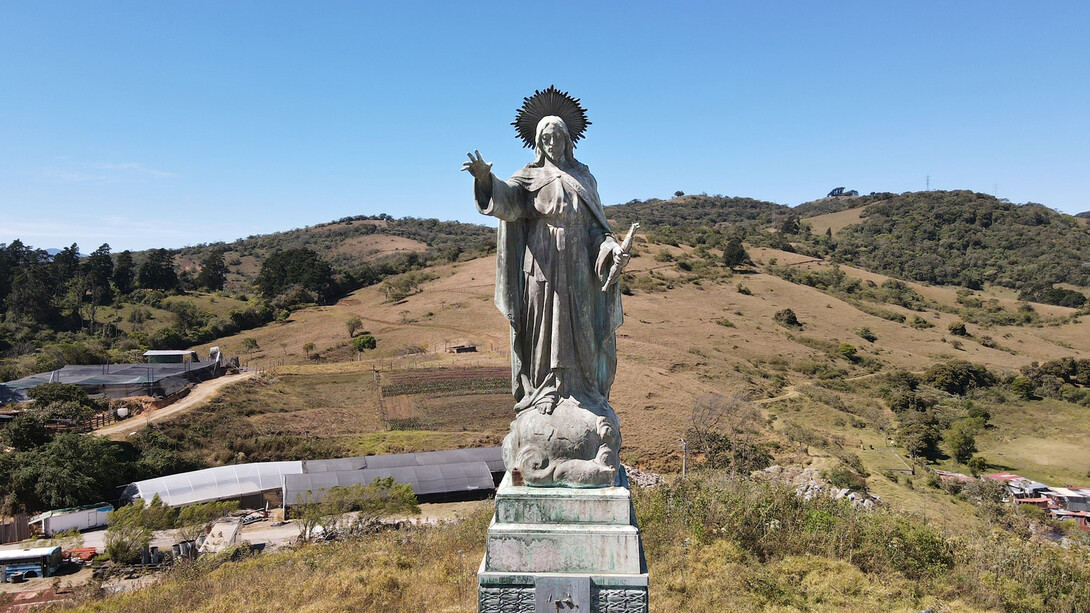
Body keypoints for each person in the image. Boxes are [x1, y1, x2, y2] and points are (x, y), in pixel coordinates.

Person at [462, 115, 628, 417]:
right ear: (538, 142)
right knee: (541, 326)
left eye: (558, 137)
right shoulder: (528, 176)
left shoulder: (584, 177)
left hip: (578, 264)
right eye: (546, 138)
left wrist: (611, 248)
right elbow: (507, 201)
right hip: (541, 263)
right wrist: (485, 179)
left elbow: (597, 230)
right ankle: (543, 390)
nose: (552, 143)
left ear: (568, 140)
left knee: (582, 325)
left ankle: (584, 390)